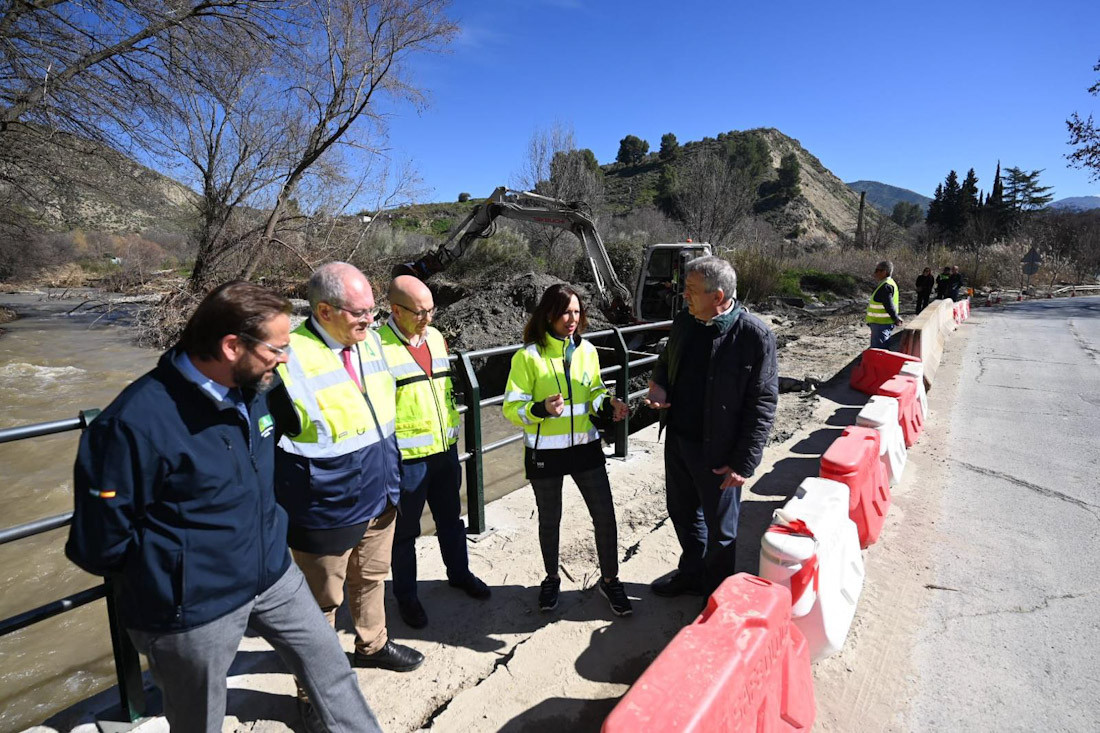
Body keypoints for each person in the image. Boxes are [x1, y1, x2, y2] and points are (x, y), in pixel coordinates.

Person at [65, 281, 379, 733]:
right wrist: (177, 574)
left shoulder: (261, 386)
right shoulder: (132, 425)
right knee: (199, 723)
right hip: (194, 608)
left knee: (334, 678)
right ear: (232, 346)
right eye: (278, 348)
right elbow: (98, 545)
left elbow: (283, 435)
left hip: (275, 575)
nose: (286, 358)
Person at [271, 262, 423, 674]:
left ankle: (373, 645)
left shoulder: (369, 341)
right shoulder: (286, 356)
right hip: (324, 507)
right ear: (323, 312)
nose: (370, 319)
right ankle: (315, 686)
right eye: (360, 312)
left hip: (380, 491)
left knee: (372, 578)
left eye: (371, 310)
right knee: (319, 604)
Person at [644, 256, 778, 597]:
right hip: (679, 440)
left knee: (722, 530)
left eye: (690, 290)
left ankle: (716, 595)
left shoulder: (754, 336)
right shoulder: (685, 322)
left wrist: (744, 462)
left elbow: (762, 403)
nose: (684, 296)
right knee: (683, 513)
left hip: (720, 452)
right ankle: (690, 574)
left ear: (717, 296)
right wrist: (658, 385)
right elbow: (665, 360)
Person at [502, 284, 633, 616]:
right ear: (549, 315)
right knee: (550, 520)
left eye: (576, 311)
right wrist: (541, 408)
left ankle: (610, 579)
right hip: (546, 452)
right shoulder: (527, 356)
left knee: (604, 515)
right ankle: (551, 579)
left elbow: (594, 392)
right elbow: (510, 408)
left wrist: (609, 404)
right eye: (565, 312)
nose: (572, 318)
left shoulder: (588, 351)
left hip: (586, 447)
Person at [379, 275, 491, 629]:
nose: (428, 317)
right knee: (404, 534)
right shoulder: (376, 347)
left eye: (431, 309)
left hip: (445, 452)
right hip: (407, 460)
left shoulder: (438, 338)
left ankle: (459, 574)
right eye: (420, 311)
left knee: (451, 521)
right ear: (396, 310)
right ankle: (407, 598)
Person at [867, 260, 904, 349]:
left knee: (879, 350)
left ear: (884, 272)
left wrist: (896, 318)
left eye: (877, 270)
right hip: (881, 324)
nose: (875, 273)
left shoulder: (886, 286)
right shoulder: (887, 284)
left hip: (881, 324)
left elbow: (889, 305)